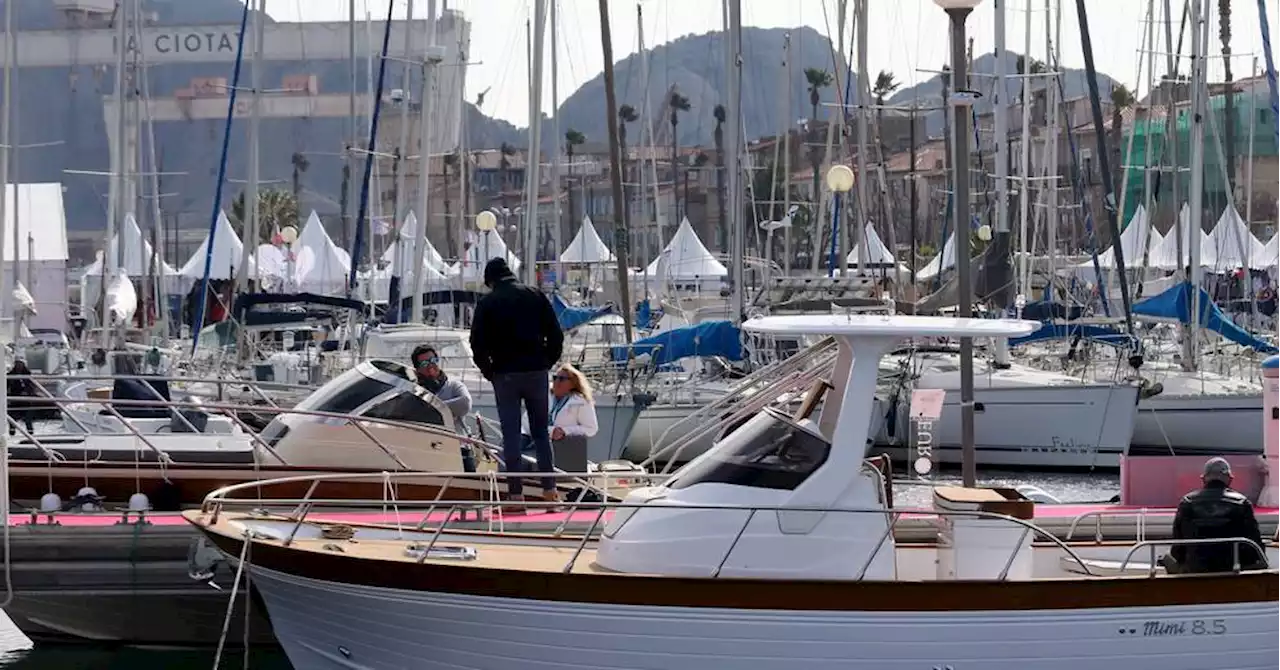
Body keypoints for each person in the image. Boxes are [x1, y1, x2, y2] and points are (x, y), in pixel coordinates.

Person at [470, 257, 564, 509]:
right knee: (541, 432)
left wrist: (490, 371)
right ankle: (550, 493)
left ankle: (515, 497)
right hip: (536, 372)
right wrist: (546, 361)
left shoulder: (487, 303)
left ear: (490, 279)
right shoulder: (535, 296)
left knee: (510, 435)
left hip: (505, 374)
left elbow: (476, 343)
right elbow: (556, 334)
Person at [1164, 457, 1266, 574]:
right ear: (1230, 479)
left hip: (1195, 569)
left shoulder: (1187, 502)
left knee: (1166, 558)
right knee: (1262, 562)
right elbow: (1255, 546)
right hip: (1233, 569)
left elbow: (1177, 550)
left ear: (1203, 479)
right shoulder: (1242, 503)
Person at [410, 344, 476, 472]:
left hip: (459, 447)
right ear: (417, 369)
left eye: (433, 360)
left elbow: (465, 403)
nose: (430, 365)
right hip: (428, 450)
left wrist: (432, 408)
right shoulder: (415, 392)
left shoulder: (454, 385)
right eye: (424, 363)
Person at [6, 359, 37, 435]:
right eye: (17, 364)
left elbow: (32, 386)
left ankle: (30, 433)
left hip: (26, 399)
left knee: (28, 418)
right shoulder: (10, 375)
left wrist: (30, 394)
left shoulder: (28, 375)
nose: (19, 366)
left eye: (20, 364)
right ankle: (12, 431)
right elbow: (6, 387)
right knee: (12, 417)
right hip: (14, 398)